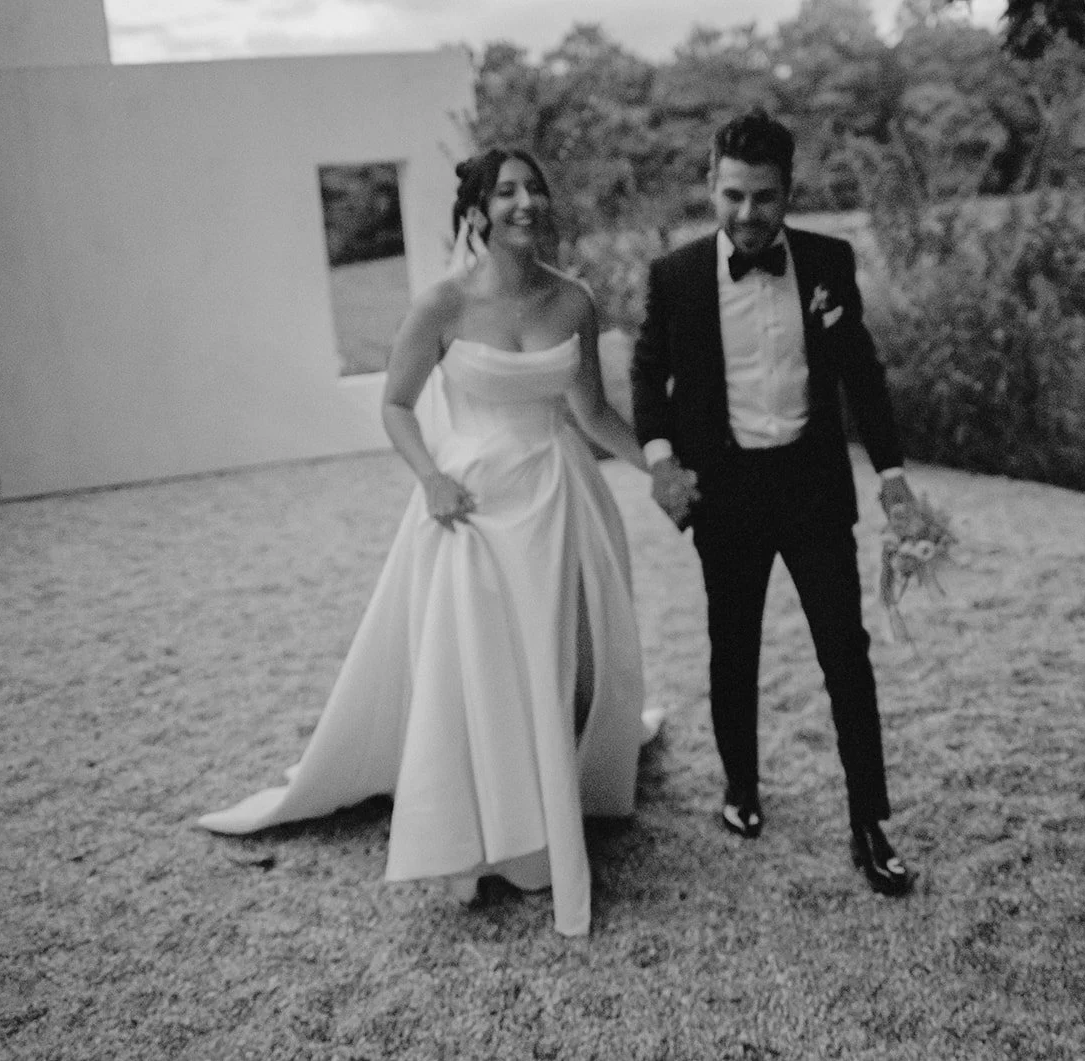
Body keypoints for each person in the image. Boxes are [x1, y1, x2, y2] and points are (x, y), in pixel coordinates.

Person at [199, 148, 652, 937]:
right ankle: (495, 839)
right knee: (485, 668)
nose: (525, 202)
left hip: (560, 496)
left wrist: (665, 465)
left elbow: (592, 412)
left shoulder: (573, 299)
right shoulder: (441, 303)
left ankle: (557, 808)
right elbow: (398, 406)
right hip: (472, 507)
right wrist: (432, 480)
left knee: (565, 661)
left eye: (534, 188)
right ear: (477, 210)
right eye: (506, 191)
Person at [630, 108, 919, 896]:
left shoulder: (830, 262)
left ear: (789, 191)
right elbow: (646, 380)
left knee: (845, 655)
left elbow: (860, 372)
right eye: (732, 196)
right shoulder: (678, 276)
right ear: (710, 186)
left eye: (763, 197)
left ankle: (869, 820)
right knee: (735, 646)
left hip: (813, 487)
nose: (747, 215)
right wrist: (661, 465)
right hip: (725, 496)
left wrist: (892, 476)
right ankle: (741, 787)